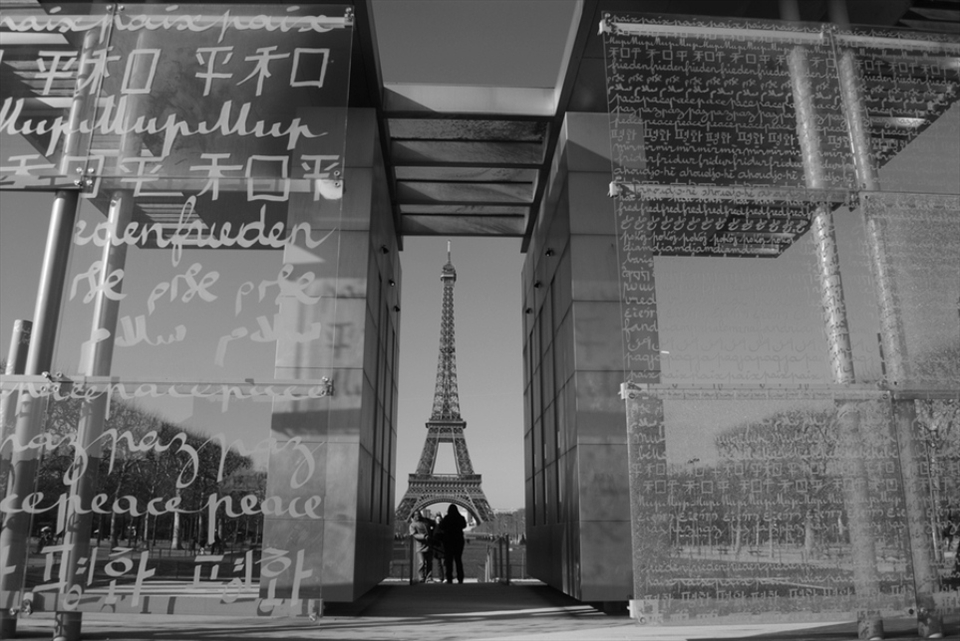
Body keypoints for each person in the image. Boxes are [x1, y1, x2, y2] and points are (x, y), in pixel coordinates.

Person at [439, 505, 467, 584]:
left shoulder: (447, 518)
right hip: (458, 540)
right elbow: (464, 525)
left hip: (448, 541)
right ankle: (460, 578)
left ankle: (449, 578)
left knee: (449, 560)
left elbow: (441, 526)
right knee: (458, 560)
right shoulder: (460, 518)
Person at [408, 510, 434, 583]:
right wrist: (424, 536)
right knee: (421, 562)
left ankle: (428, 577)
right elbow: (414, 534)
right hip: (420, 546)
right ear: (413, 516)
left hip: (428, 545)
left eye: (418, 514)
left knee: (429, 562)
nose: (418, 515)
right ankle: (421, 577)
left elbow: (434, 523)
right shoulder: (413, 525)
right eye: (416, 514)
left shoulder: (426, 521)